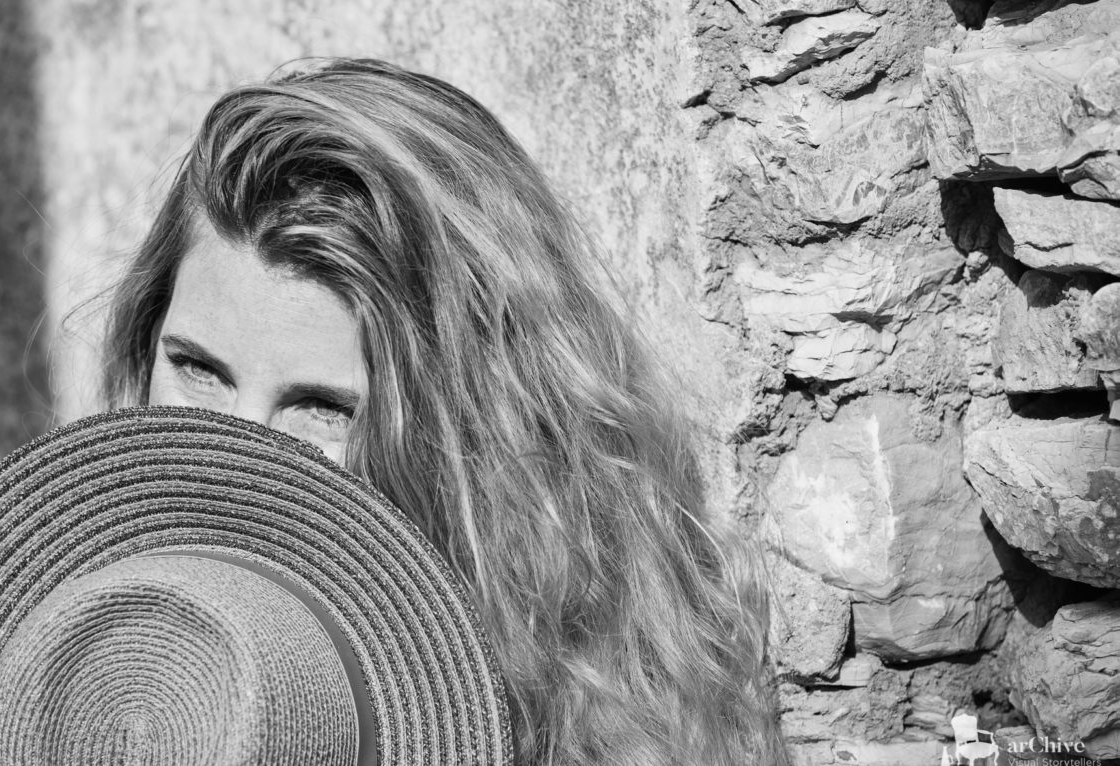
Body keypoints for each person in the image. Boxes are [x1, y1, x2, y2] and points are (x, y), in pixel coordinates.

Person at [102, 57, 789, 765]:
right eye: (196, 369)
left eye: (324, 408)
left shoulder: (582, 727)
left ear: (468, 438)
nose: (230, 458)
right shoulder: (69, 661)